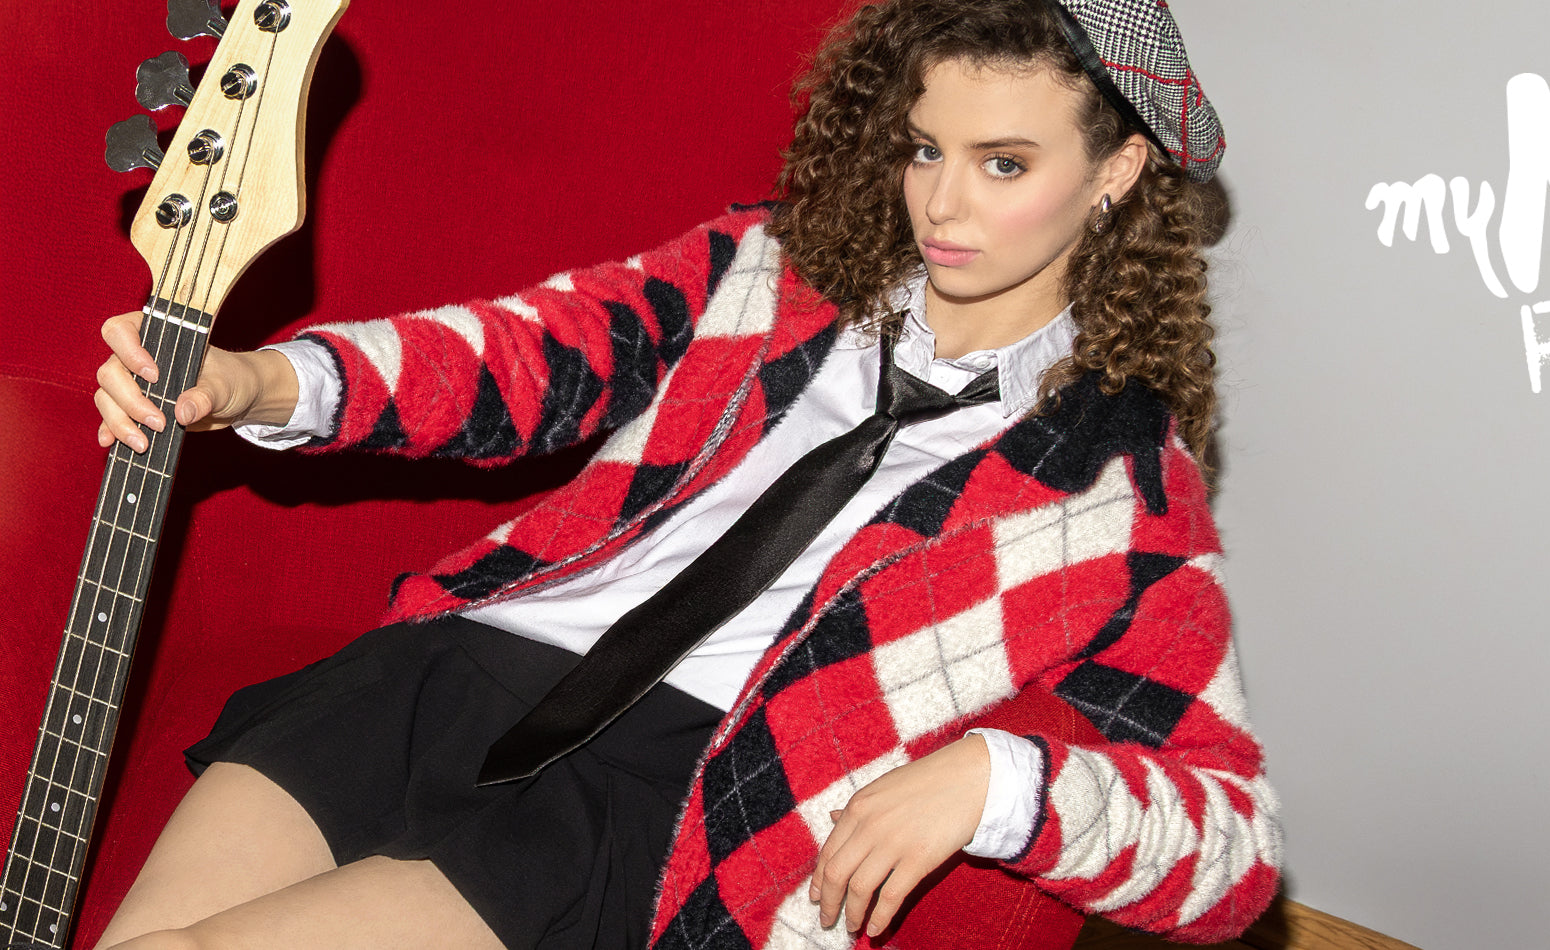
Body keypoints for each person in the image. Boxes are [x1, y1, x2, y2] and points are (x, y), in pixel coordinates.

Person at [88, 0, 1279, 947]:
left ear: (1118, 170)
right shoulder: (772, 269)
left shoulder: (1117, 494)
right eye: (926, 148)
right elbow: (528, 354)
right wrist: (263, 383)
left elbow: (1235, 851)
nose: (943, 203)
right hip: (453, 669)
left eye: (1004, 163)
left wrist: (1001, 781)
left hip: (660, 792)